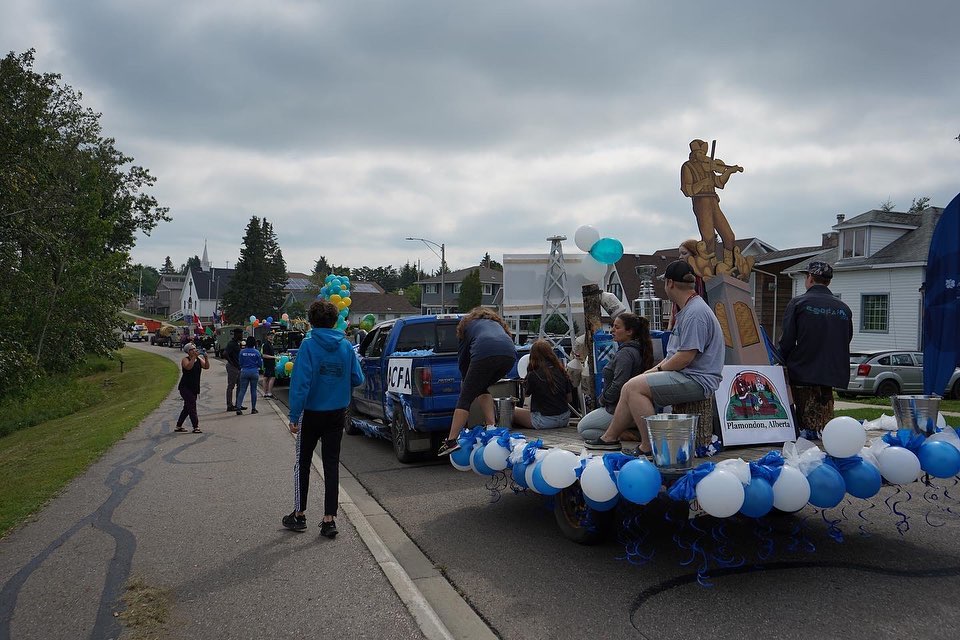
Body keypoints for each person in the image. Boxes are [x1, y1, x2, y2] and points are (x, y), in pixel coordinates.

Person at [585, 260, 724, 452]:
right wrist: (649, 373)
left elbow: (685, 357)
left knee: (634, 388)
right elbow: (675, 355)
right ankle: (609, 438)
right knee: (631, 384)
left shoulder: (695, 313)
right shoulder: (689, 309)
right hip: (688, 375)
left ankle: (649, 446)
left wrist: (656, 370)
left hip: (698, 380)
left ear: (670, 283)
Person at [283, 300, 364, 537]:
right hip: (337, 412)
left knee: (303, 463)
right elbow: (357, 378)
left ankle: (299, 514)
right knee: (331, 463)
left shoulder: (308, 345)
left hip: (312, 412)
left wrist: (294, 415)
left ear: (311, 320)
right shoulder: (346, 346)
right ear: (335, 320)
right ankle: (329, 519)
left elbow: (300, 384)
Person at [778, 260, 853, 439]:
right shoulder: (843, 308)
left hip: (803, 371)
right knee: (826, 425)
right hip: (831, 374)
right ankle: (828, 449)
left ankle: (807, 453)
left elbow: (787, 339)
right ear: (828, 281)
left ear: (810, 278)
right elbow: (847, 338)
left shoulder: (799, 303)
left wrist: (780, 361)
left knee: (806, 423)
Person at [437, 308, 517, 456]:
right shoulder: (496, 324)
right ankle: (491, 426)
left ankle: (451, 441)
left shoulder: (467, 326)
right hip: (509, 356)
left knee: (466, 397)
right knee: (481, 386)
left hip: (484, 352)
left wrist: (465, 382)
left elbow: (462, 361)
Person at [577, 313, 654, 441]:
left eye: (617, 327)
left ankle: (624, 434)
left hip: (618, 408)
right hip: (633, 407)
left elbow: (619, 384)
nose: (612, 330)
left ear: (629, 331)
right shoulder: (639, 350)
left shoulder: (625, 354)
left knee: (583, 429)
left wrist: (603, 399)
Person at [680, 139, 743, 274]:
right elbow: (688, 190)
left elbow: (719, 183)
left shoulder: (707, 166)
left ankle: (728, 266)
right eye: (700, 152)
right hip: (701, 201)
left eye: (704, 152)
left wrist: (729, 172)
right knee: (708, 238)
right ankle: (711, 268)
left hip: (713, 200)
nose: (703, 155)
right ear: (694, 153)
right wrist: (703, 182)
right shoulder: (688, 167)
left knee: (729, 236)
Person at [513, 340, 574, 430]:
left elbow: (526, 397)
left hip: (544, 421)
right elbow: (569, 399)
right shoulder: (561, 371)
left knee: (512, 410)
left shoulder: (533, 374)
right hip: (564, 418)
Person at [669, 240, 708, 329]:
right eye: (680, 254)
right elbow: (675, 304)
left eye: (684, 253)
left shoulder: (704, 278)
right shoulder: (680, 276)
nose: (680, 257)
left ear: (694, 255)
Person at [175, 342, 210, 434]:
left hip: (194, 387)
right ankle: (196, 426)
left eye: (195, 349)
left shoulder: (198, 359)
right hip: (185, 387)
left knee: (187, 407)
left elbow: (206, 367)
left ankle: (178, 426)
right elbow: (188, 367)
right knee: (192, 406)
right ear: (188, 351)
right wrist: (194, 357)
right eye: (192, 349)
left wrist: (206, 357)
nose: (194, 350)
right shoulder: (185, 360)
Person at [235, 336, 263, 415]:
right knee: (253, 390)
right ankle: (253, 409)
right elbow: (260, 364)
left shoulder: (242, 352)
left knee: (242, 390)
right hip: (254, 372)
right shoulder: (257, 352)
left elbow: (240, 363)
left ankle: (238, 407)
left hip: (244, 372)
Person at [224, 328, 244, 411]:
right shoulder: (231, 344)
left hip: (237, 367)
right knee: (231, 386)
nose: (242, 336)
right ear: (237, 334)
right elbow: (225, 353)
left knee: (240, 386)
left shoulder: (237, 343)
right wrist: (232, 363)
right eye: (241, 334)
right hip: (233, 367)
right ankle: (229, 405)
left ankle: (238, 404)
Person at [261, 331, 277, 398]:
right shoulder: (266, 345)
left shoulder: (270, 344)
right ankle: (268, 393)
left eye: (272, 335)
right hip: (268, 364)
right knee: (270, 378)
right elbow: (264, 355)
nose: (271, 337)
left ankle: (265, 393)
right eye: (270, 335)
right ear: (267, 336)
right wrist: (274, 357)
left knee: (267, 378)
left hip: (270, 363)